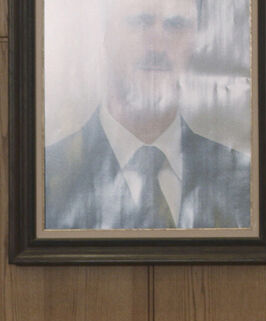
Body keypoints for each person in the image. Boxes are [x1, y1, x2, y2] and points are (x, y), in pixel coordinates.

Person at [45, 0, 251, 230]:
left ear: (195, 40)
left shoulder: (243, 181)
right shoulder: (46, 178)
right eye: (140, 22)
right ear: (106, 34)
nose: (157, 47)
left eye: (175, 25)